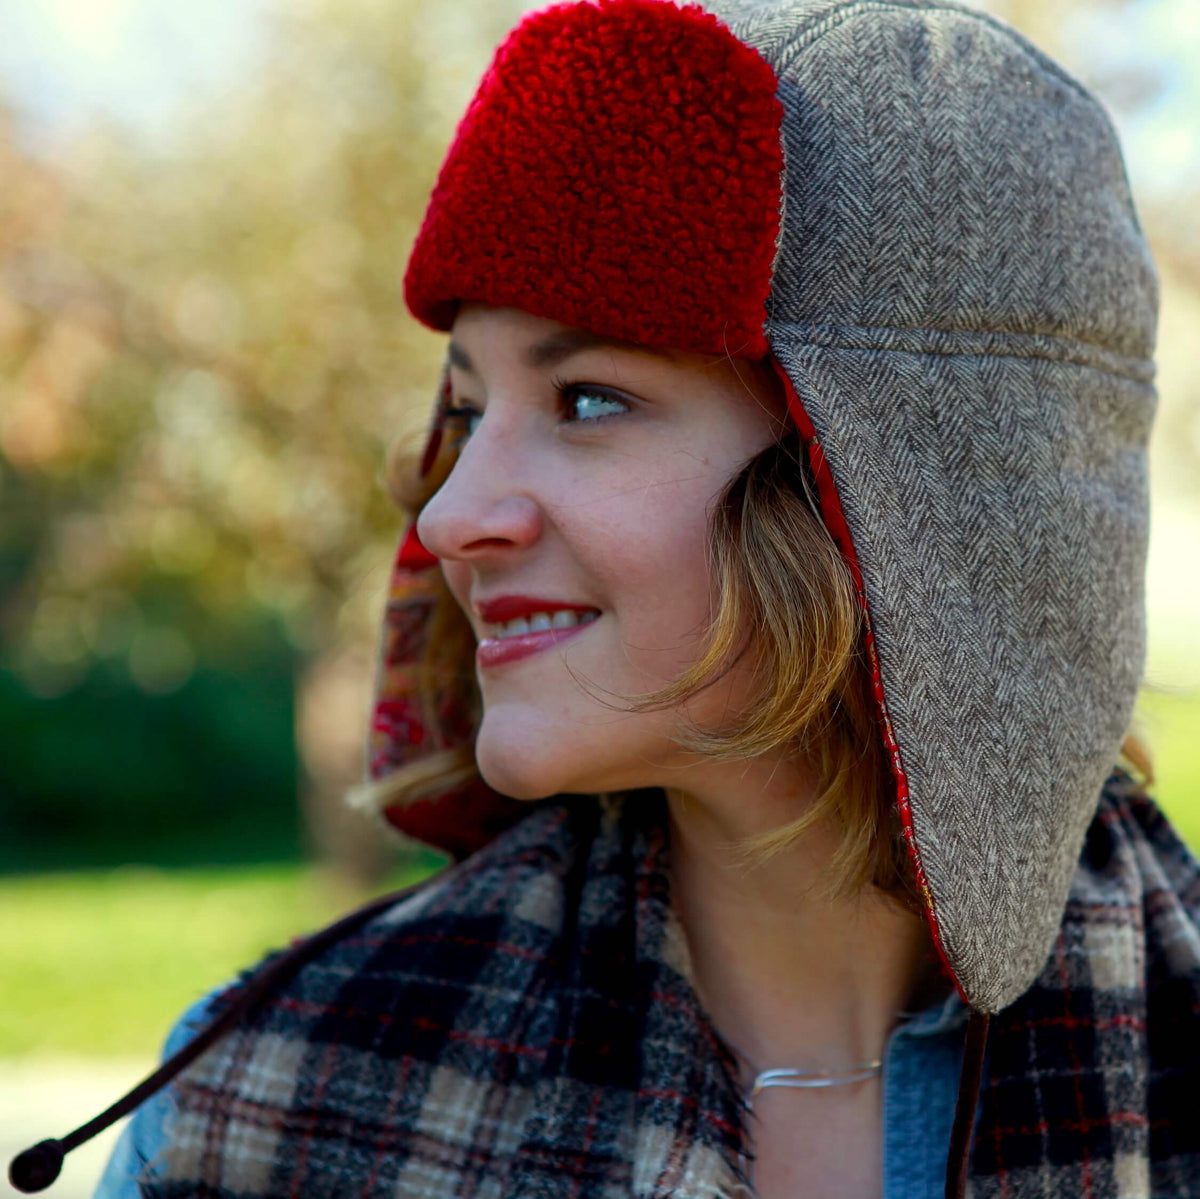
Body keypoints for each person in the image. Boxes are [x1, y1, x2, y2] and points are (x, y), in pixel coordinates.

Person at [9, 0, 1198, 1197]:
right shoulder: (262, 1111)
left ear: (921, 497)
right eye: (467, 413)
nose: (449, 514)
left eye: (586, 399)